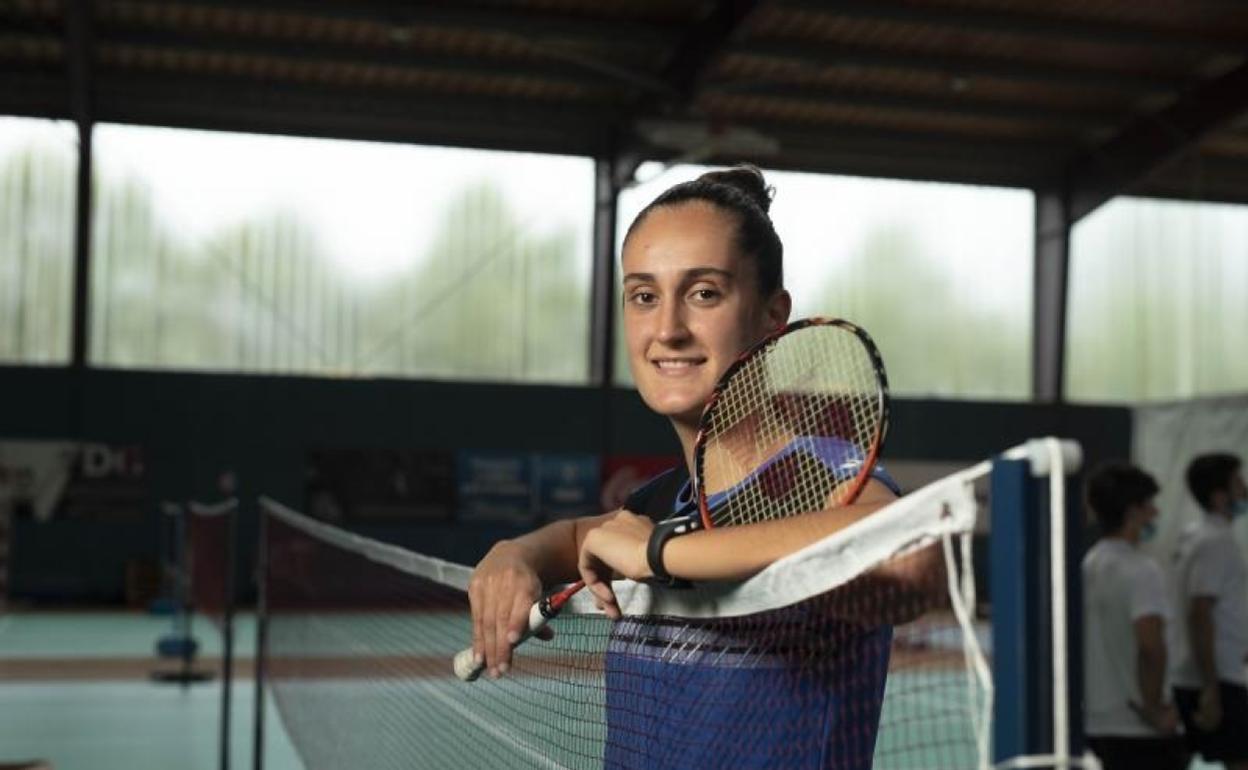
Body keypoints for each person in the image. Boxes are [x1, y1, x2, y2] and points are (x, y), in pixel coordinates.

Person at [468, 166, 936, 768]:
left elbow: (908, 560)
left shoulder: (820, 481)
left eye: (704, 293)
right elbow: (581, 536)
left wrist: (661, 555)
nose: (667, 329)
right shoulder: (661, 502)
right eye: (644, 296)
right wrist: (516, 555)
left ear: (773, 316)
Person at [1081, 461, 1189, 770]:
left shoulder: (1088, 566)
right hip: (1140, 731)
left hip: (1095, 727)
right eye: (1149, 505)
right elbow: (1150, 646)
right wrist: (1153, 708)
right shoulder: (1143, 571)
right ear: (1132, 512)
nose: (1155, 513)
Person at [1171, 452, 1248, 769]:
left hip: (1205, 674)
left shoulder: (1197, 536)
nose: (1245, 489)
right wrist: (1211, 686)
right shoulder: (1215, 542)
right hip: (1216, 678)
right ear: (1220, 497)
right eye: (1238, 484)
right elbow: (1200, 612)